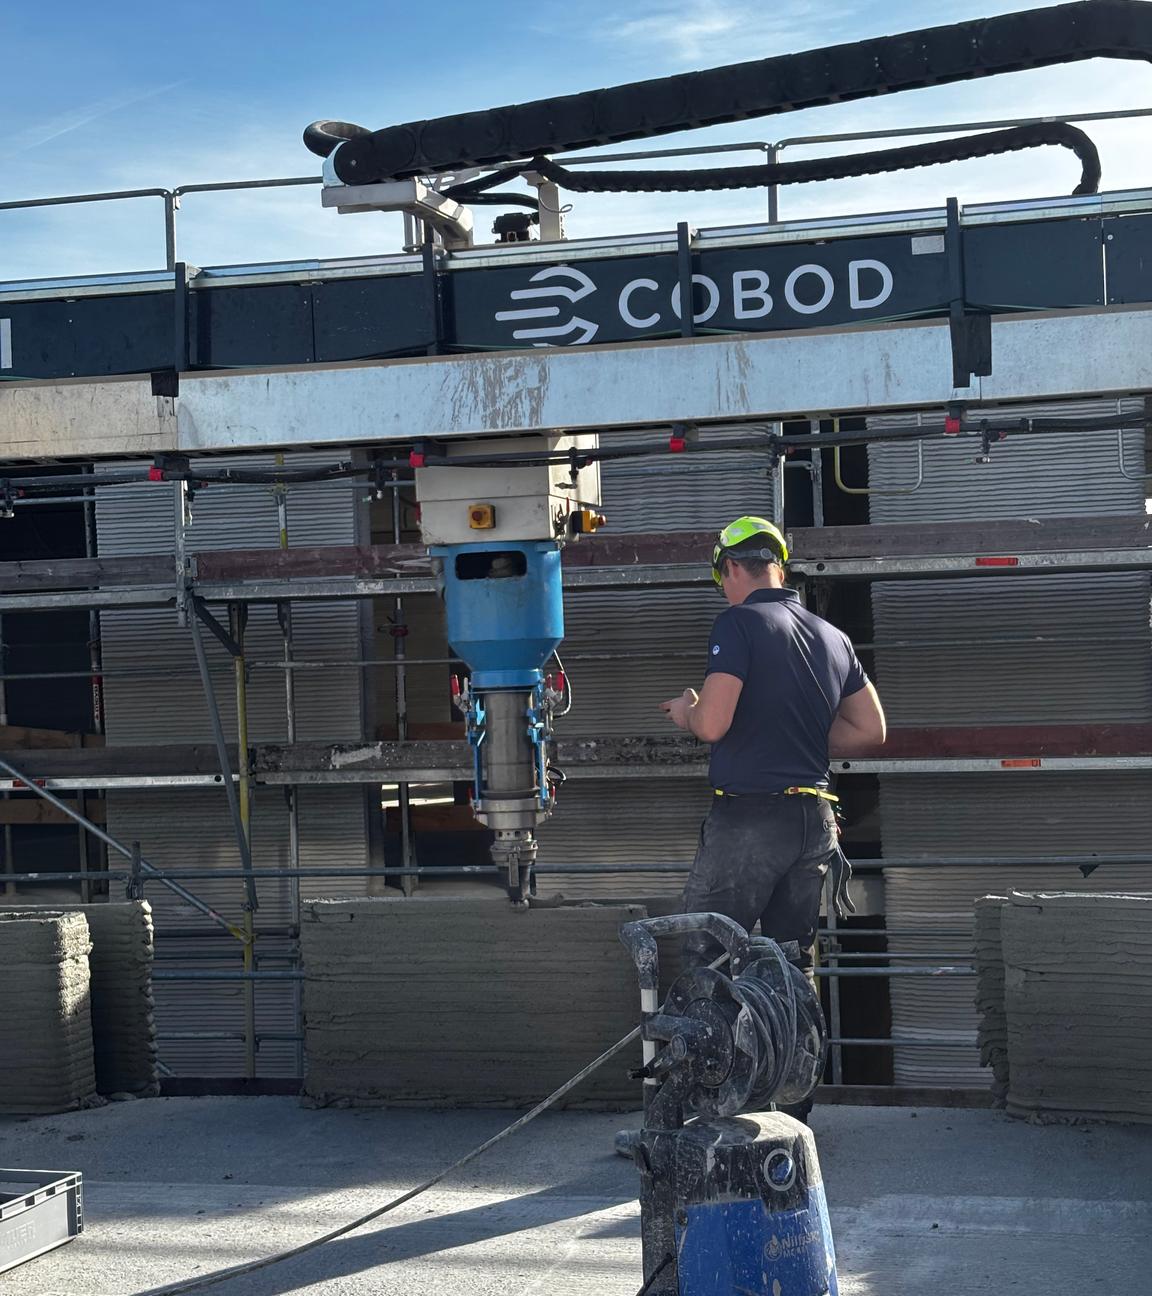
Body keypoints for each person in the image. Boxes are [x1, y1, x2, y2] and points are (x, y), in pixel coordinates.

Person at [661, 515, 886, 974]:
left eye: (721, 579)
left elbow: (712, 725)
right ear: (778, 566)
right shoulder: (833, 637)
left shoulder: (738, 624)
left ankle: (714, 1048)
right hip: (813, 820)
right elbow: (870, 731)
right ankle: (798, 1047)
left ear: (732, 569)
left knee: (710, 956)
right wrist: (792, 725)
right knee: (790, 963)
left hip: (750, 821)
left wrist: (688, 708)